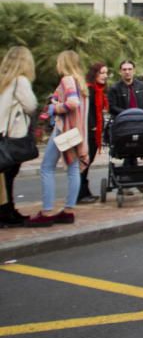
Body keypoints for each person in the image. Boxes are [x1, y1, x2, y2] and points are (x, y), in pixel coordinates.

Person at [27, 50, 89, 227]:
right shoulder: (81, 83)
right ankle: (69, 210)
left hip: (64, 130)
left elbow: (72, 103)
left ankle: (46, 212)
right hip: (77, 133)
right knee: (73, 168)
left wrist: (54, 109)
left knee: (47, 167)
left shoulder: (67, 80)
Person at [0, 46, 38, 227]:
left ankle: (7, 210)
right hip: (14, 136)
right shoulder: (20, 81)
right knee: (10, 173)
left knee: (4, 176)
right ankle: (7, 212)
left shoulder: (4, 80)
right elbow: (31, 105)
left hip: (2, 134)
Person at [77, 62, 109, 204]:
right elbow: (86, 110)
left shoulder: (99, 90)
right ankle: (80, 194)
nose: (105, 76)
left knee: (87, 163)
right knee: (84, 162)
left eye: (106, 73)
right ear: (94, 74)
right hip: (88, 132)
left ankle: (84, 191)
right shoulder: (89, 90)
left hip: (94, 131)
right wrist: (92, 126)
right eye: (102, 73)